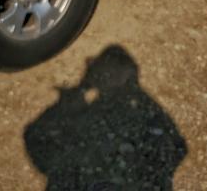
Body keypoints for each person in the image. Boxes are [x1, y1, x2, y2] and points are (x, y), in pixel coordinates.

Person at [25, 45, 188, 190]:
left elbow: (36, 138)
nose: (101, 75)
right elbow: (36, 138)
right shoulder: (88, 113)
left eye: (106, 70)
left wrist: (77, 93)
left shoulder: (134, 111)